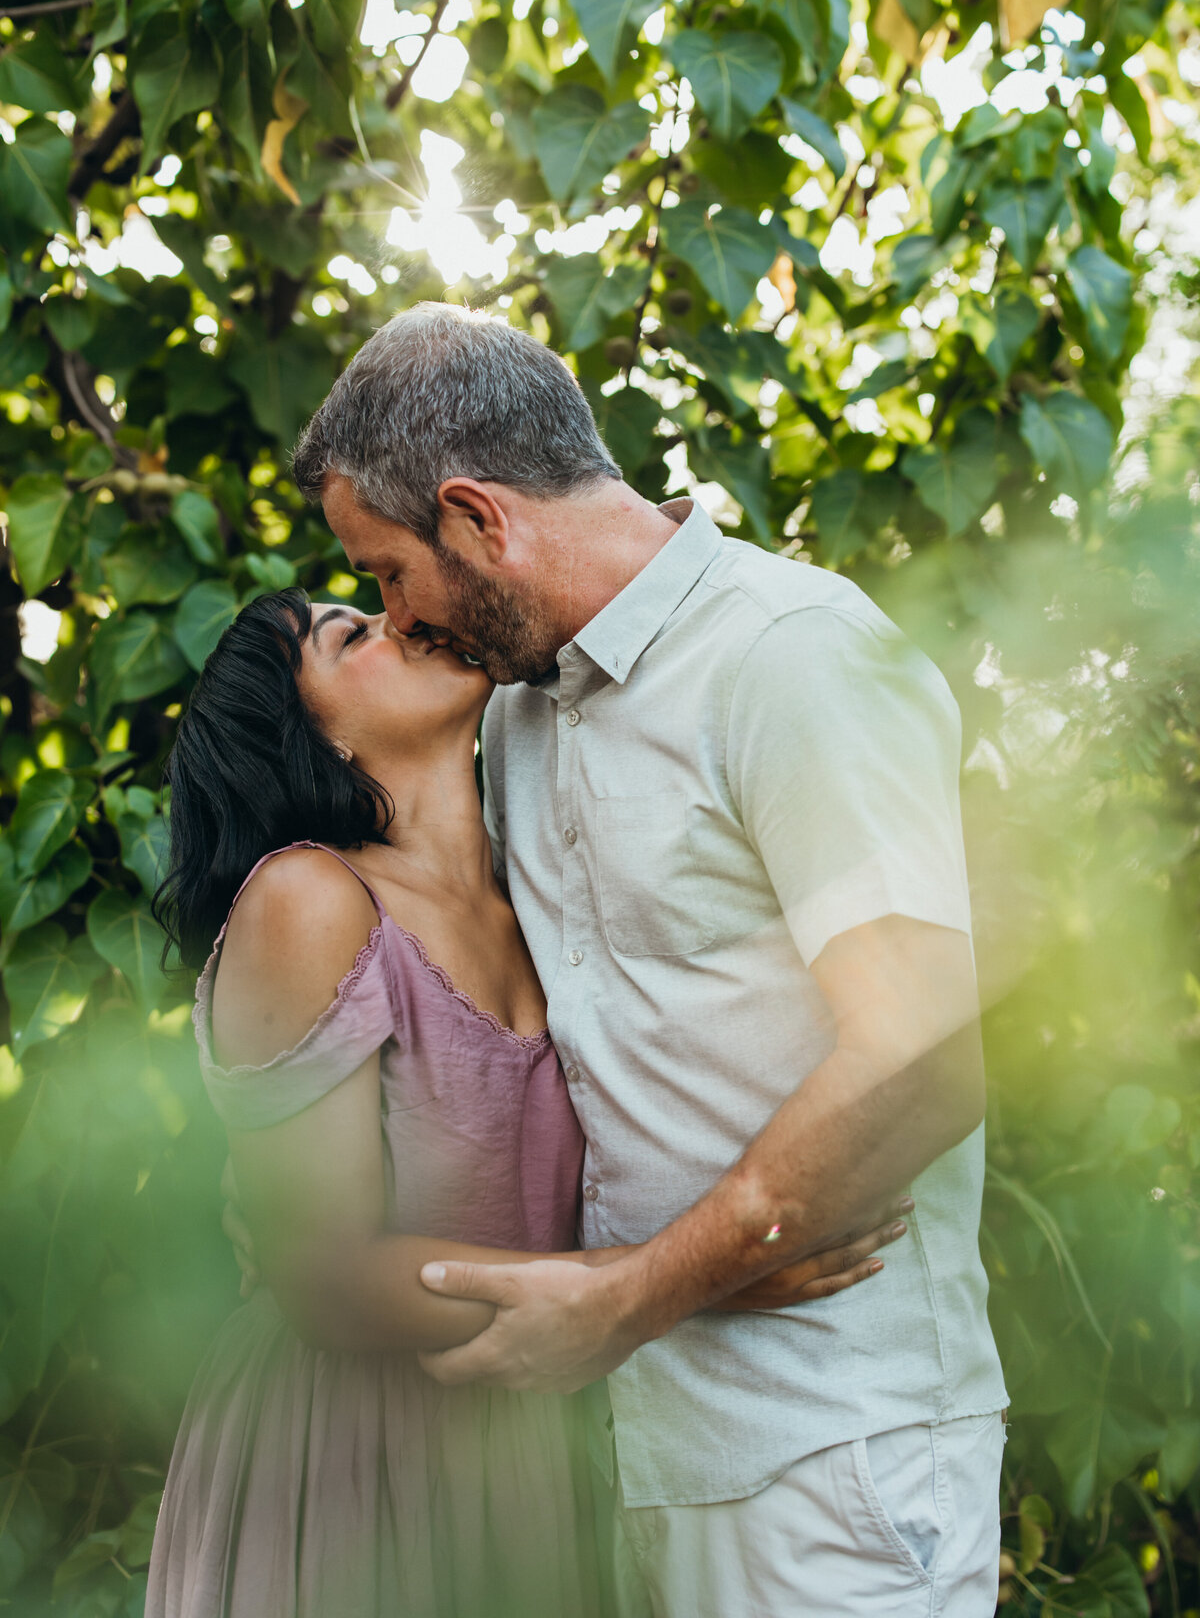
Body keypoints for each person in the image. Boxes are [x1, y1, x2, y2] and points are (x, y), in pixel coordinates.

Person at [285, 301, 1011, 1616]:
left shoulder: (789, 658)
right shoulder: (520, 720)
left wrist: (637, 1296)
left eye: (390, 574)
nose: (395, 618)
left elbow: (921, 1055)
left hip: (834, 1458)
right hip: (647, 1455)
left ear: (477, 517)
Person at [146, 586, 908, 1618]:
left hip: (527, 1443)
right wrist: (682, 1281)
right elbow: (319, 1278)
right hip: (348, 1451)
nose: (402, 619)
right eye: (350, 635)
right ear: (309, 736)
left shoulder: (538, 888)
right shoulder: (309, 899)